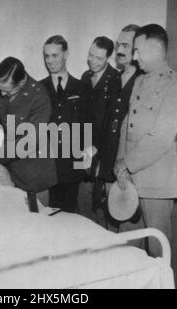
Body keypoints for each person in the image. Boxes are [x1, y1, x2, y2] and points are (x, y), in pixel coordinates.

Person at [115, 24, 177, 257]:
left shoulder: (174, 85)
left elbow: (160, 138)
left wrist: (127, 163)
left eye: (138, 50)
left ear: (156, 49)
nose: (134, 57)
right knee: (128, 247)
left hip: (157, 181)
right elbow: (127, 125)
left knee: (158, 251)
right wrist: (120, 164)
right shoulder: (139, 81)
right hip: (130, 179)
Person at [0, 57, 57, 203]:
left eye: (7, 91)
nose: (2, 95)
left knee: (36, 220)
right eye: (0, 90)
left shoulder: (39, 96)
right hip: (9, 169)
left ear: (22, 82)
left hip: (33, 172)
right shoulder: (1, 86)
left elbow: (30, 142)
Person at [96, 25, 146, 239]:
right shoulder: (113, 79)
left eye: (125, 45)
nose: (119, 50)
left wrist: (128, 164)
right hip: (109, 165)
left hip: (131, 168)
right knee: (110, 228)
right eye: (118, 45)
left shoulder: (143, 80)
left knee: (131, 233)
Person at [39, 35, 91, 213]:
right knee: (48, 218)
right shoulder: (39, 89)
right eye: (47, 56)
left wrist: (86, 162)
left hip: (72, 167)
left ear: (66, 54)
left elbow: (89, 126)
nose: (50, 61)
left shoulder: (82, 88)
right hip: (47, 166)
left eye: (55, 55)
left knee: (70, 216)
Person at [79, 37, 122, 223]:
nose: (93, 61)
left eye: (99, 58)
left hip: (103, 150)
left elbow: (112, 122)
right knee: (82, 202)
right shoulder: (85, 77)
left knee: (100, 205)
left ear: (108, 58)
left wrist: (97, 149)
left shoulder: (115, 79)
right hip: (83, 147)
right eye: (90, 55)